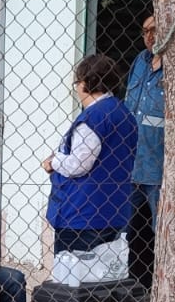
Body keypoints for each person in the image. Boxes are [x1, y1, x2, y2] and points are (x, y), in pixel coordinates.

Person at [42, 54, 137, 254]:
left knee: (74, 278)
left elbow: (78, 165)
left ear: (86, 83)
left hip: (81, 214)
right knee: (104, 277)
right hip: (115, 210)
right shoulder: (124, 113)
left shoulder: (92, 118)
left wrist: (54, 161)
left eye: (77, 82)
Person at [125, 15, 166, 227]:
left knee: (162, 230)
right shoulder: (140, 60)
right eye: (145, 31)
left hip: (159, 169)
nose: (149, 36)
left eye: (155, 30)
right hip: (129, 165)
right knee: (120, 230)